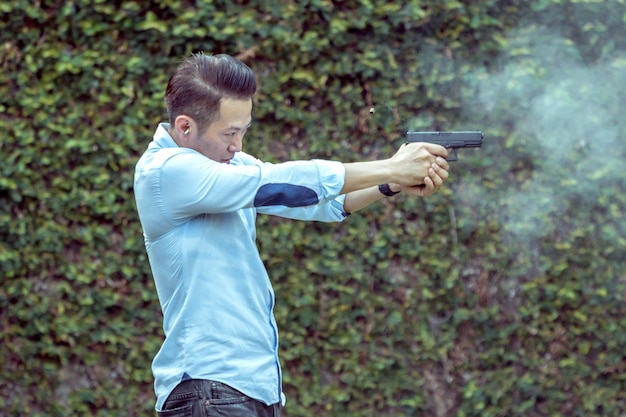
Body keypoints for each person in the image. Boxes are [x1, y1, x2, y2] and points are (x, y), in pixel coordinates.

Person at [133, 52, 450, 417]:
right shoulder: (165, 171)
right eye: (230, 133)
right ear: (185, 127)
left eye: (243, 131)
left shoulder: (225, 164)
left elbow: (318, 201)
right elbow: (276, 184)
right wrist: (391, 166)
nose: (238, 145)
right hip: (210, 389)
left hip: (247, 389)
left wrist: (390, 182)